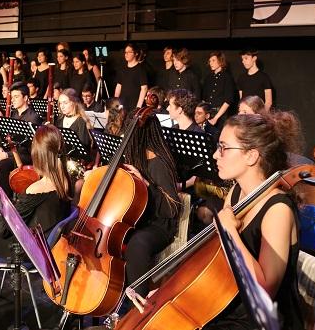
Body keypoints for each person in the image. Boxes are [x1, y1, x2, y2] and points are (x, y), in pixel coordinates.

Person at [130, 113, 304, 330]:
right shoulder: (236, 191)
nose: (214, 154)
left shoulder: (278, 210)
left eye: (223, 147)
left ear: (251, 156)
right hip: (227, 303)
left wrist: (230, 233)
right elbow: (216, 260)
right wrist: (172, 290)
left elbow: (264, 291)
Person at [0, 124, 71, 258]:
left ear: (38, 156)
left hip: (26, 248)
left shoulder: (37, 189)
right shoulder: (67, 181)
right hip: (42, 241)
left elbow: (6, 229)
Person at [119, 111, 181, 299]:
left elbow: (172, 209)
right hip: (138, 217)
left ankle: (139, 300)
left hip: (159, 224)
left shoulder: (159, 162)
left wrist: (145, 183)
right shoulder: (134, 155)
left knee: (137, 244)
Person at [0, 82, 42, 198]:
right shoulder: (13, 114)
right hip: (12, 152)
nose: (13, 100)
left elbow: (29, 149)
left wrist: (7, 155)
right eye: (12, 97)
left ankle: (8, 202)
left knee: (2, 165)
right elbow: (3, 135)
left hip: (26, 155)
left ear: (26, 98)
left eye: (16, 97)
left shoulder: (34, 117)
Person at [202, 51, 236, 127]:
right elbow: (204, 98)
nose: (211, 63)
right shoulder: (208, 78)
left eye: (213, 60)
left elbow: (228, 100)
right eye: (210, 61)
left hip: (221, 116)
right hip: (208, 113)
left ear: (220, 61)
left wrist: (216, 118)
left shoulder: (227, 78)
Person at [114, 43, 148, 110]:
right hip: (122, 105)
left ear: (136, 53)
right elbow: (118, 86)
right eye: (125, 52)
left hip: (134, 106)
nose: (126, 54)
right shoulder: (122, 68)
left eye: (129, 52)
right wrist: (115, 102)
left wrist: (138, 107)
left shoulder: (140, 69)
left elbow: (144, 88)